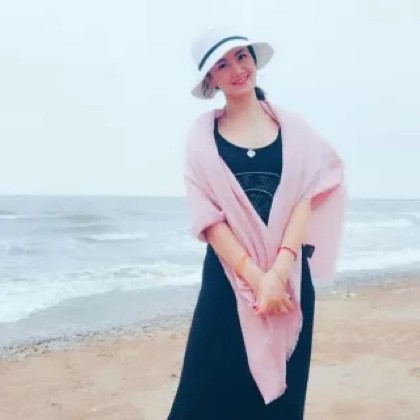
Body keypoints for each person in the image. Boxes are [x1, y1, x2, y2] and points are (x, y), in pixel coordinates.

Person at [167, 26, 346, 419]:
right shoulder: (202, 136)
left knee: (280, 404)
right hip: (227, 281)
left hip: (288, 277)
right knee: (203, 394)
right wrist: (257, 278)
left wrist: (278, 274)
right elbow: (209, 220)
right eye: (222, 65)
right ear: (211, 79)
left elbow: (304, 198)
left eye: (241, 57)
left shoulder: (293, 127)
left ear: (253, 60)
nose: (236, 70)